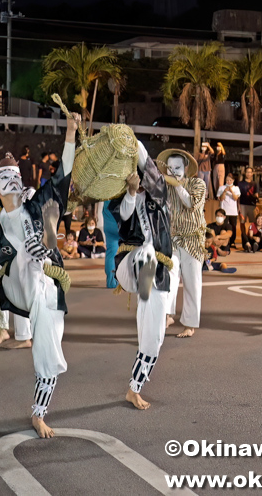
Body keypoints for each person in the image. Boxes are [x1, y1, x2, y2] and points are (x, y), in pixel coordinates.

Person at [0, 112, 80, 439]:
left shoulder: (36, 205)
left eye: (15, 177)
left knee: (50, 355)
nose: (11, 183)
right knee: (1, 277)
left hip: (47, 287)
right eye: (4, 179)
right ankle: (7, 331)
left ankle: (39, 412)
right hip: (21, 287)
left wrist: (69, 132)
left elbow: (62, 177)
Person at [109, 141, 172, 410]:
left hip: (157, 271)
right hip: (129, 264)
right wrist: (131, 193)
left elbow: (148, 162)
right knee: (147, 251)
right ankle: (147, 303)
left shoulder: (160, 196)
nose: (143, 177)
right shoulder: (122, 197)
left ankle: (135, 387)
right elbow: (123, 217)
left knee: (154, 336)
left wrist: (132, 141)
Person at [158, 148, 206, 339]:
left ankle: (190, 324)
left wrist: (177, 185)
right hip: (173, 239)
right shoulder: (165, 187)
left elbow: (190, 203)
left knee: (192, 282)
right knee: (169, 277)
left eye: (177, 167)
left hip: (193, 240)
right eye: (170, 168)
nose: (174, 171)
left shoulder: (197, 183)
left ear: (186, 167)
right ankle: (168, 314)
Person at [238, 167, 259, 253]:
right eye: (247, 172)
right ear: (245, 173)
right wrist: (238, 207)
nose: (249, 174)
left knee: (253, 224)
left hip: (252, 205)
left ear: (252, 173)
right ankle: (245, 243)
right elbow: (238, 196)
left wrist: (256, 198)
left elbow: (256, 194)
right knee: (242, 224)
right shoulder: (240, 183)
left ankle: (252, 242)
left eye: (250, 172)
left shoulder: (255, 183)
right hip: (243, 204)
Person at [216, 173, 240, 249]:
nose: (228, 181)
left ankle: (232, 241)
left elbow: (236, 198)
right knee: (224, 226)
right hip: (224, 210)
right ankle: (224, 241)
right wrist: (225, 191)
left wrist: (231, 191)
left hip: (233, 211)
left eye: (230, 180)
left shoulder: (236, 188)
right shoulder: (221, 187)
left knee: (233, 226)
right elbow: (221, 199)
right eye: (227, 180)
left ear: (233, 180)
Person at [103, 201, 120, 289]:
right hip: (122, 221)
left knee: (111, 252)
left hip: (109, 221)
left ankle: (111, 282)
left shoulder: (107, 190)